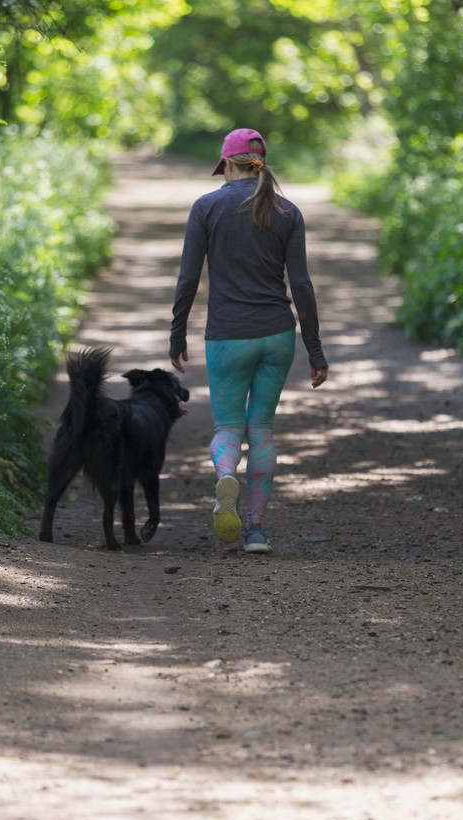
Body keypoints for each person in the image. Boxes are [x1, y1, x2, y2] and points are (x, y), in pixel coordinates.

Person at [169, 127, 329, 554]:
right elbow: (302, 285)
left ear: (227, 164)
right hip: (277, 335)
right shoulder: (288, 211)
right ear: (260, 164)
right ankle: (256, 530)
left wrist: (177, 333)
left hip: (228, 336)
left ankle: (226, 475)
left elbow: (188, 278)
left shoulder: (207, 207)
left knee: (227, 426)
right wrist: (315, 350)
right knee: (262, 429)